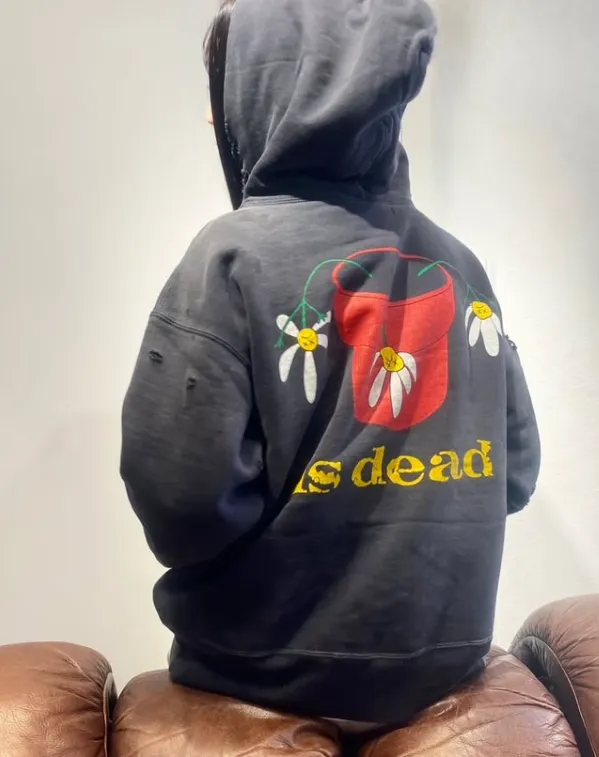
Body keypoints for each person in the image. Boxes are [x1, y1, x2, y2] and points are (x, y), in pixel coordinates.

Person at [121, 0, 541, 730]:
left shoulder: (229, 258)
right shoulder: (462, 266)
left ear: (264, 91)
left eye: (223, 91)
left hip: (261, 665)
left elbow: (181, 505)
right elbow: (516, 471)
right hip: (447, 660)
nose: (213, 118)